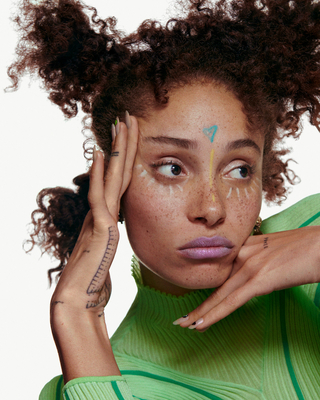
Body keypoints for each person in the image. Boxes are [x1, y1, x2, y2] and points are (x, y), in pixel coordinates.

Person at [8, 0, 320, 398]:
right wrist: (76, 315)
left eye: (240, 169)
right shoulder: (94, 374)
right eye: (172, 168)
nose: (211, 209)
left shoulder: (314, 233)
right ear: (113, 185)